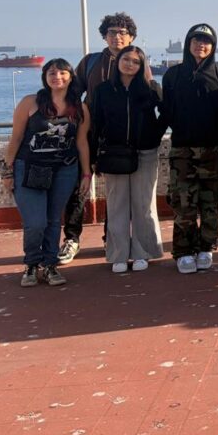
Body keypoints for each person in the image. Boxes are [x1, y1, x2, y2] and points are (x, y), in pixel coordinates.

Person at [1, 59, 92, 287]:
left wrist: (86, 174)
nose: (57, 76)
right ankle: (32, 263)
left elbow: (81, 142)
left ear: (70, 77)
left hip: (64, 169)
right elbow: (16, 139)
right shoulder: (30, 103)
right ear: (45, 77)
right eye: (51, 72)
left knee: (53, 220)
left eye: (62, 72)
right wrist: (7, 171)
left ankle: (50, 264)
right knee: (35, 223)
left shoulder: (80, 108)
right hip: (30, 168)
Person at [58, 11, 139, 265]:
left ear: (131, 37)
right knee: (78, 186)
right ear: (104, 36)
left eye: (122, 32)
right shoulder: (91, 62)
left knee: (118, 192)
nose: (117, 37)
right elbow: (72, 94)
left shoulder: (137, 62)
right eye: (112, 32)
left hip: (121, 138)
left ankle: (111, 238)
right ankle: (72, 238)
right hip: (88, 133)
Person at [160, 23, 218, 274]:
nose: (201, 45)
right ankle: (183, 251)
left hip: (215, 150)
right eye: (196, 40)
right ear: (188, 43)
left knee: (213, 204)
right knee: (183, 204)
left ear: (213, 46)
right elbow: (166, 110)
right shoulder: (173, 75)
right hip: (183, 150)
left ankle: (206, 247)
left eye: (206, 41)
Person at [90, 46, 165, 273]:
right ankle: (118, 254)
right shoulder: (103, 90)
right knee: (116, 205)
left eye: (135, 61)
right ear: (118, 61)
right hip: (114, 154)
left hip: (145, 153)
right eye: (126, 59)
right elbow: (96, 123)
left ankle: (143, 252)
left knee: (144, 205)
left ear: (142, 65)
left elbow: (168, 112)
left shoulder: (151, 88)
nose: (130, 64)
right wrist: (94, 155)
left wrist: (154, 134)